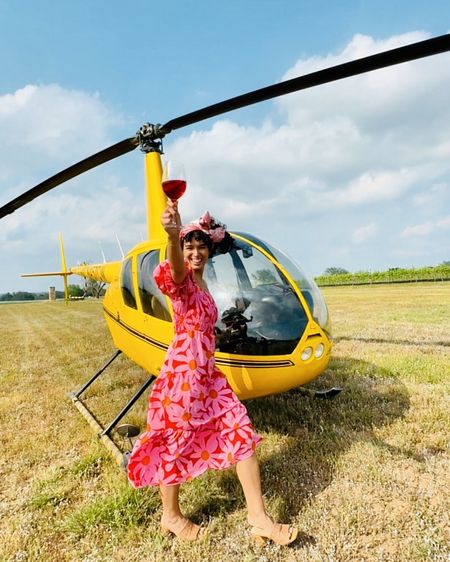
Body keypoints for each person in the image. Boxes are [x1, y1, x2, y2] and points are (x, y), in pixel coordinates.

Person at [127, 200, 298, 546]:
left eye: (200, 244)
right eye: (188, 245)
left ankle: (259, 518)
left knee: (241, 431)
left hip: (208, 373)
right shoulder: (184, 282)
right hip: (184, 375)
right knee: (174, 441)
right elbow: (174, 272)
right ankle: (171, 516)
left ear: (209, 249)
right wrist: (173, 236)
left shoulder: (204, 285)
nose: (194, 251)